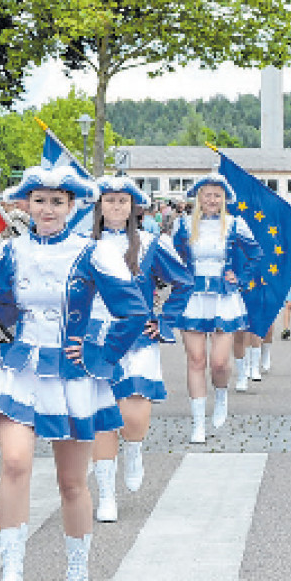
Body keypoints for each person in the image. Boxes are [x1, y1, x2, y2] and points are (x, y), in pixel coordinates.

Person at [0, 165, 150, 581]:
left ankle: (77, 573)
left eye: (57, 202)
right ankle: (13, 571)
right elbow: (5, 309)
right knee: (15, 462)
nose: (48, 209)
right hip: (19, 368)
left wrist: (99, 353)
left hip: (72, 375)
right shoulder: (11, 251)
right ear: (27, 205)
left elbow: (133, 311)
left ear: (71, 206)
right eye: (39, 200)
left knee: (72, 482)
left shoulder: (91, 252)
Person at [86, 176, 193, 523]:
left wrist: (162, 320)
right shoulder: (83, 244)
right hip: (96, 338)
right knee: (103, 418)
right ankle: (106, 495)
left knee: (133, 419)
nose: (116, 206)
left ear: (133, 206)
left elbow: (183, 281)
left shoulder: (150, 243)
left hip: (137, 338)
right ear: (99, 205)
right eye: (110, 200)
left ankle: (133, 449)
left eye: (122, 201)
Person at [172, 173, 261, 443]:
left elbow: (256, 255)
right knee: (196, 360)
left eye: (217, 195)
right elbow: (171, 259)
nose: (212, 199)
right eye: (207, 195)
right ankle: (198, 423)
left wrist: (241, 277)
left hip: (224, 299)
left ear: (224, 199)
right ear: (198, 198)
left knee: (220, 362)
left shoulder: (235, 224)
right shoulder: (184, 225)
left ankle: (221, 395)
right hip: (193, 299)